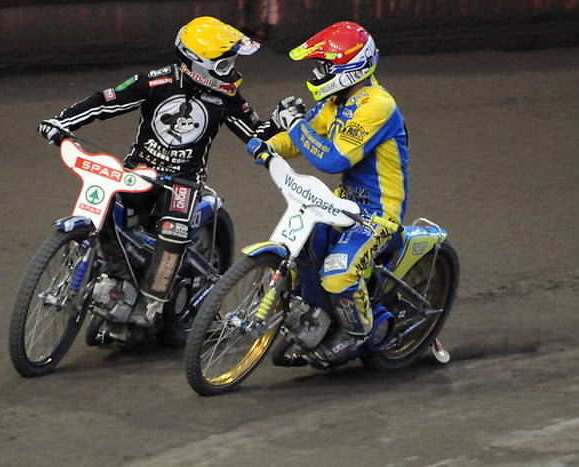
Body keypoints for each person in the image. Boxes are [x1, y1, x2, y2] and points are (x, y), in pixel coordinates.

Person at [39, 16, 302, 327]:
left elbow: (255, 135)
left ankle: (151, 304)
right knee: (103, 210)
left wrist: (279, 124)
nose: (231, 71)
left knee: (174, 231)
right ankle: (120, 280)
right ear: (197, 63)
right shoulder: (155, 82)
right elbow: (105, 101)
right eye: (223, 65)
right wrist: (61, 122)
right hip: (138, 170)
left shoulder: (227, 98)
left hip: (184, 182)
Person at [247, 21, 409, 365]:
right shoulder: (337, 101)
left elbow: (333, 159)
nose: (317, 73)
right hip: (339, 205)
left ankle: (355, 333)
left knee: (337, 276)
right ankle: (313, 314)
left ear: (349, 69)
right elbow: (304, 139)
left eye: (323, 67)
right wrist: (267, 145)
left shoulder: (376, 106)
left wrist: (295, 124)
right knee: (299, 248)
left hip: (377, 214)